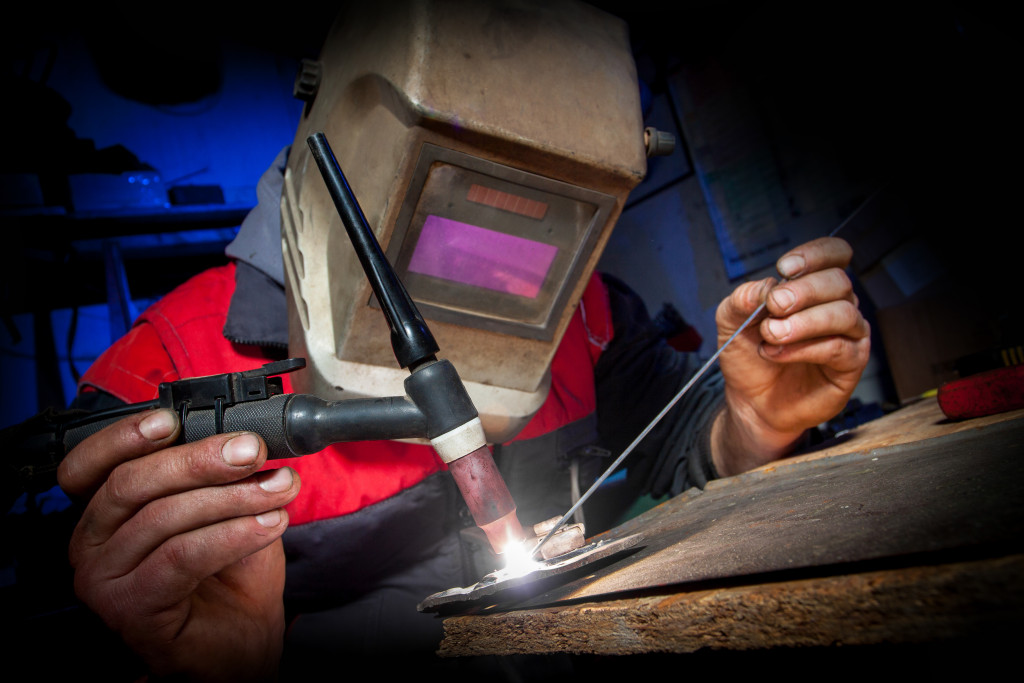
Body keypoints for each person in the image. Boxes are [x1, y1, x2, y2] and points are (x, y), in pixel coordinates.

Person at [52, 3, 872, 680]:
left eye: (538, 221)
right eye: (453, 205)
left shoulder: (588, 314)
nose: (490, 265)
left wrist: (750, 424)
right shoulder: (163, 384)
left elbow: (674, 445)